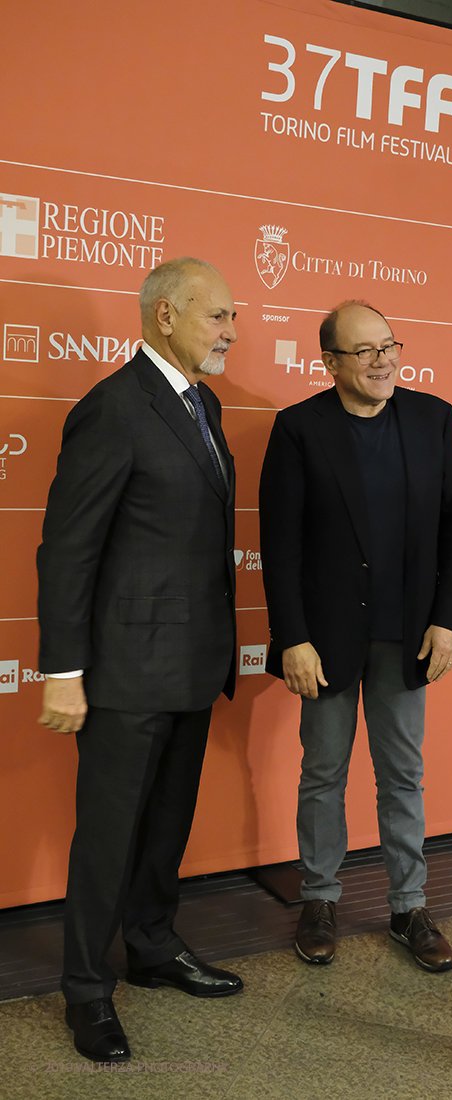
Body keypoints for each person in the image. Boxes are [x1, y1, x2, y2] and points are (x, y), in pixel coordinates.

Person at [37, 257, 242, 1063]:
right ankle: (86, 991)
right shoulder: (112, 409)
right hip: (124, 672)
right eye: (216, 316)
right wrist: (62, 667)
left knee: (166, 827)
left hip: (192, 663)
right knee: (109, 838)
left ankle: (153, 945)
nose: (230, 331)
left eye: (232, 317)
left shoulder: (204, 405)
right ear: (164, 316)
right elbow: (68, 548)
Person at [259, 300, 452, 971]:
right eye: (365, 350)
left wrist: (448, 619)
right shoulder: (298, 429)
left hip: (406, 634)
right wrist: (292, 636)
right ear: (330, 362)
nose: (382, 360)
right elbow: (280, 544)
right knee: (321, 772)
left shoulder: (434, 419)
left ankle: (409, 906)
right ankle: (318, 900)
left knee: (402, 774)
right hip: (324, 639)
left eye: (389, 346)